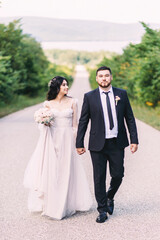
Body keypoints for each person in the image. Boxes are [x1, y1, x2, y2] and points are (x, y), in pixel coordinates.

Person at [23, 76, 92, 220]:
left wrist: (76, 143)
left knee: (66, 171)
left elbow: (75, 125)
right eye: (64, 85)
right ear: (57, 87)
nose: (67, 87)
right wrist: (44, 122)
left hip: (67, 141)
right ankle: (52, 204)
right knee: (53, 171)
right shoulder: (47, 104)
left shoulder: (73, 102)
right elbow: (42, 126)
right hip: (51, 140)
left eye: (67, 84)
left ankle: (64, 205)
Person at [76, 66, 138, 223]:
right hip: (97, 144)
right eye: (100, 76)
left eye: (106, 76)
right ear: (96, 79)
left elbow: (129, 117)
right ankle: (102, 209)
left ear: (111, 77)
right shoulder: (90, 97)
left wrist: (134, 139)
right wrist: (79, 142)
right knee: (99, 178)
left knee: (118, 175)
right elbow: (83, 120)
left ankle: (110, 196)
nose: (104, 78)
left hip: (117, 143)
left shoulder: (121, 94)